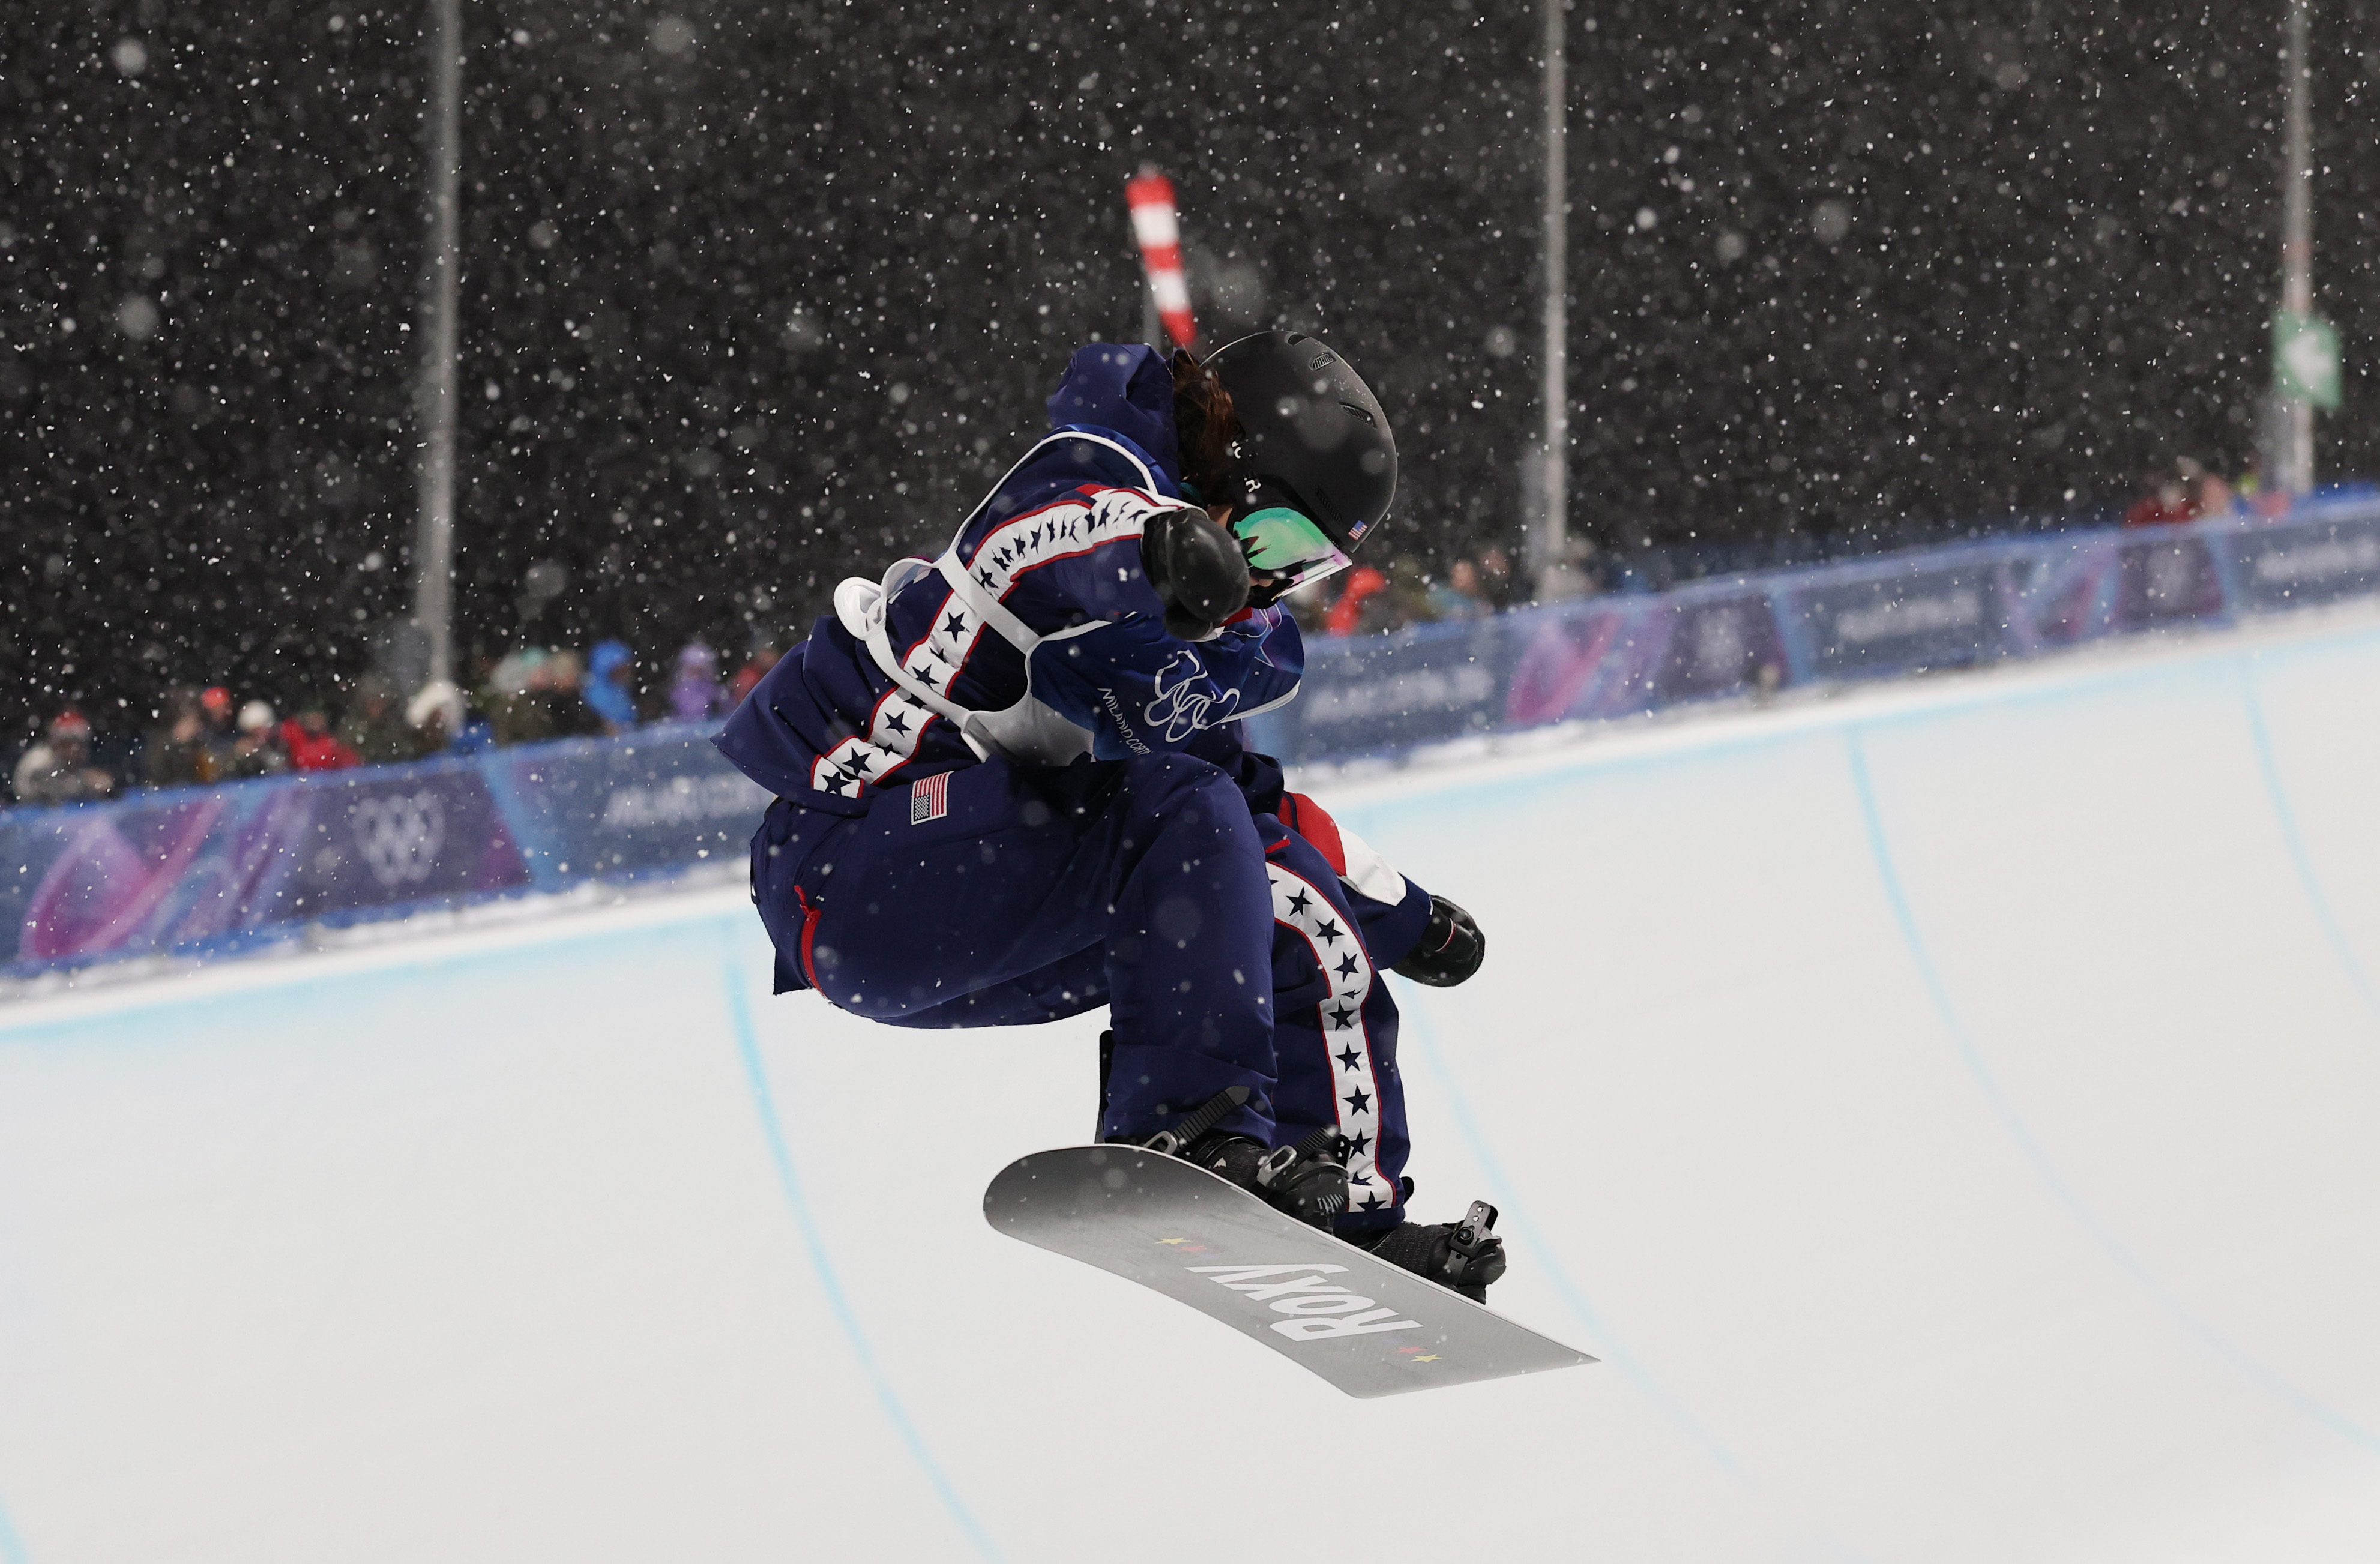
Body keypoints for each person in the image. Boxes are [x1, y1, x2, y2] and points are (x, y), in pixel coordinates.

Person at [718, 332, 1505, 1302]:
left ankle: (1348, 1207)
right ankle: (1184, 1125)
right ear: (1231, 473)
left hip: (960, 919)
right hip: (850, 860)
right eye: (1274, 542)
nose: (1268, 580)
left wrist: (1402, 912)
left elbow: (1246, 808)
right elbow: (1047, 539)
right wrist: (1162, 546)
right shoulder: (1093, 478)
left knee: (1277, 889)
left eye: (1303, 569)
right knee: (1184, 807)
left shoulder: (1189, 648)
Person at [13, 710, 118, 804]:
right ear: (58, 743)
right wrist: (86, 783)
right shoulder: (39, 761)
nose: (77, 750)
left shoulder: (66, 760)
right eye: (71, 744)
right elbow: (50, 794)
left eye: (81, 744)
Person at [583, 640, 640, 735]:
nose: (627, 674)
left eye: (627, 669)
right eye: (621, 670)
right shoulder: (593, 698)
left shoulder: (625, 692)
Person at [282, 705, 360, 772]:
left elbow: (350, 765)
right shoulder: (294, 735)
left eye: (318, 718)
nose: (314, 722)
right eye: (311, 718)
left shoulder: (330, 743)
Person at [667, 639, 730, 722]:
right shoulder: (676, 695)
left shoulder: (717, 694)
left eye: (701, 671)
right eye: (692, 670)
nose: (697, 676)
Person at [229, 700, 288, 777]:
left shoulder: (280, 745)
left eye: (265, 728)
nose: (263, 733)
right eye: (258, 730)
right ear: (248, 731)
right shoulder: (239, 753)